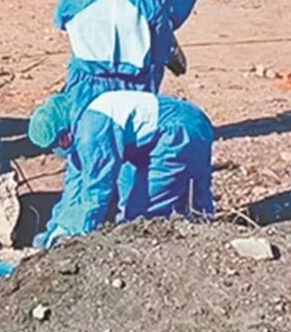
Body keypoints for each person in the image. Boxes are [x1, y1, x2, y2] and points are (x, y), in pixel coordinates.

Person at [28, 90, 215, 249]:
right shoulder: (79, 121)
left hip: (179, 130)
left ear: (66, 131)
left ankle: (191, 247)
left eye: (61, 142)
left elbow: (97, 187)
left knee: (143, 216)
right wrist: (56, 228)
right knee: (128, 199)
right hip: (157, 138)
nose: (59, 149)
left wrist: (77, 236)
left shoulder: (91, 131)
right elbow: (74, 184)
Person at [56, 0, 172, 104]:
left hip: (85, 84)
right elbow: (160, 52)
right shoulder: (149, 5)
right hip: (134, 86)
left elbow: (61, 20)